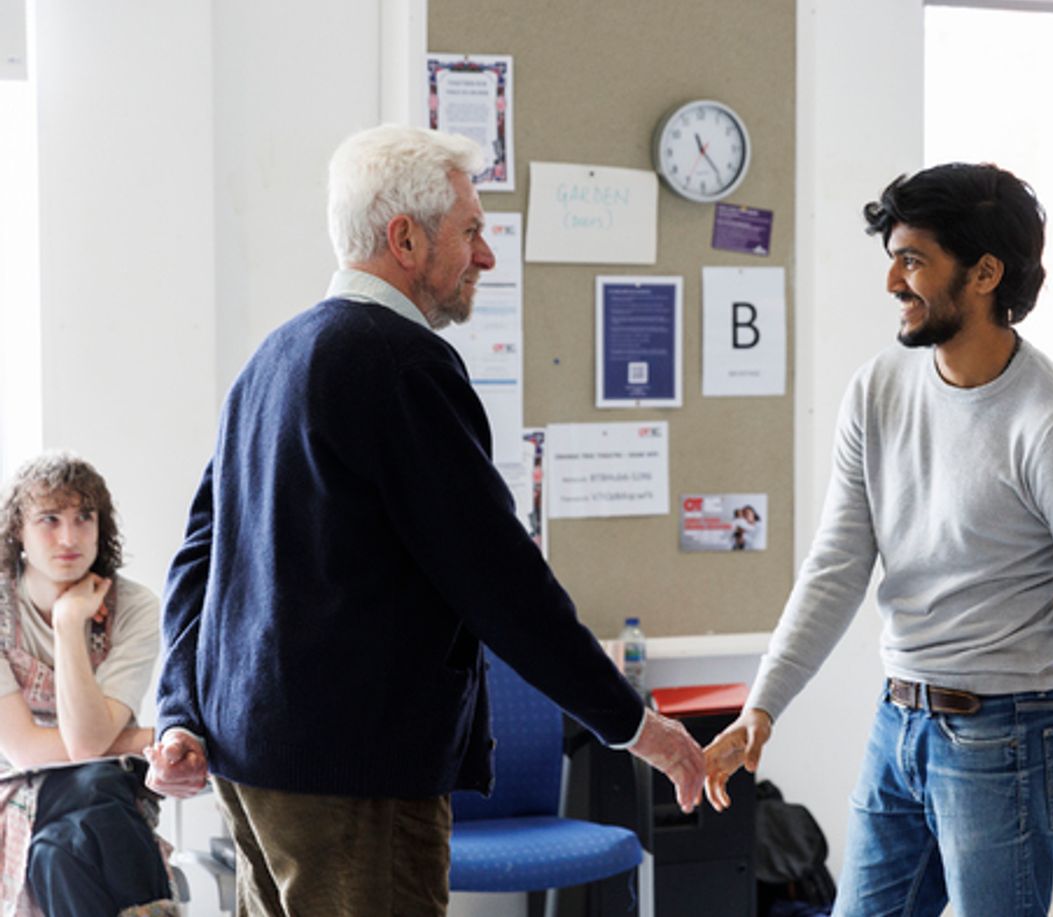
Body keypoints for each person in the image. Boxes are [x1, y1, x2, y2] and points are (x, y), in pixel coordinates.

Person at [144, 124, 704, 915]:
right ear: (405, 238)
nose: (486, 256)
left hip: (255, 764)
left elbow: (197, 557)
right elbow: (499, 579)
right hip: (354, 781)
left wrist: (180, 709)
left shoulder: (270, 359)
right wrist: (636, 726)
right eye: (471, 230)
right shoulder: (399, 363)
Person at [704, 164, 1053, 917]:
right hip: (898, 721)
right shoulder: (878, 390)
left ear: (984, 273)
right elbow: (836, 565)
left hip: (1006, 733)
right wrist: (763, 705)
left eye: (912, 260)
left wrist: (1020, 638)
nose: (892, 281)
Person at [0, 452, 175, 917]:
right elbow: (25, 751)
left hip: (89, 802)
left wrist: (68, 626)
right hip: (13, 792)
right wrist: (140, 739)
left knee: (56, 854)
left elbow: (86, 742)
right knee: (99, 778)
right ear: (18, 528)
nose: (69, 537)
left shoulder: (134, 606)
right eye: (49, 519)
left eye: (84, 518)